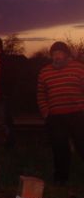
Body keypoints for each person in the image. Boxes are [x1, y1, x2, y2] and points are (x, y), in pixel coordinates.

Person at [36, 41, 84, 185]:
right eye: (54, 54)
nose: (56, 57)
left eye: (59, 53)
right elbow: (40, 94)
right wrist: (45, 111)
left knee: (82, 144)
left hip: (78, 114)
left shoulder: (79, 68)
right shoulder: (45, 72)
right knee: (59, 147)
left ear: (66, 54)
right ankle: (61, 178)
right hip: (56, 117)